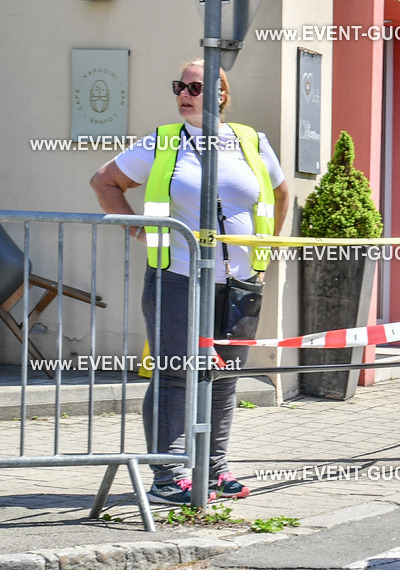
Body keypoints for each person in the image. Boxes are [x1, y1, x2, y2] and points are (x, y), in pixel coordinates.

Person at [90, 59, 290, 504]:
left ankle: (212, 468)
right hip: (177, 277)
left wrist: (265, 249)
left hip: (238, 282)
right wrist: (136, 227)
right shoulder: (162, 142)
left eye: (196, 87)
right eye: (180, 85)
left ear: (221, 94)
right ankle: (166, 474)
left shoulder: (251, 141)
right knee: (176, 374)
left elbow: (280, 194)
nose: (184, 93)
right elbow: (105, 182)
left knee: (224, 377)